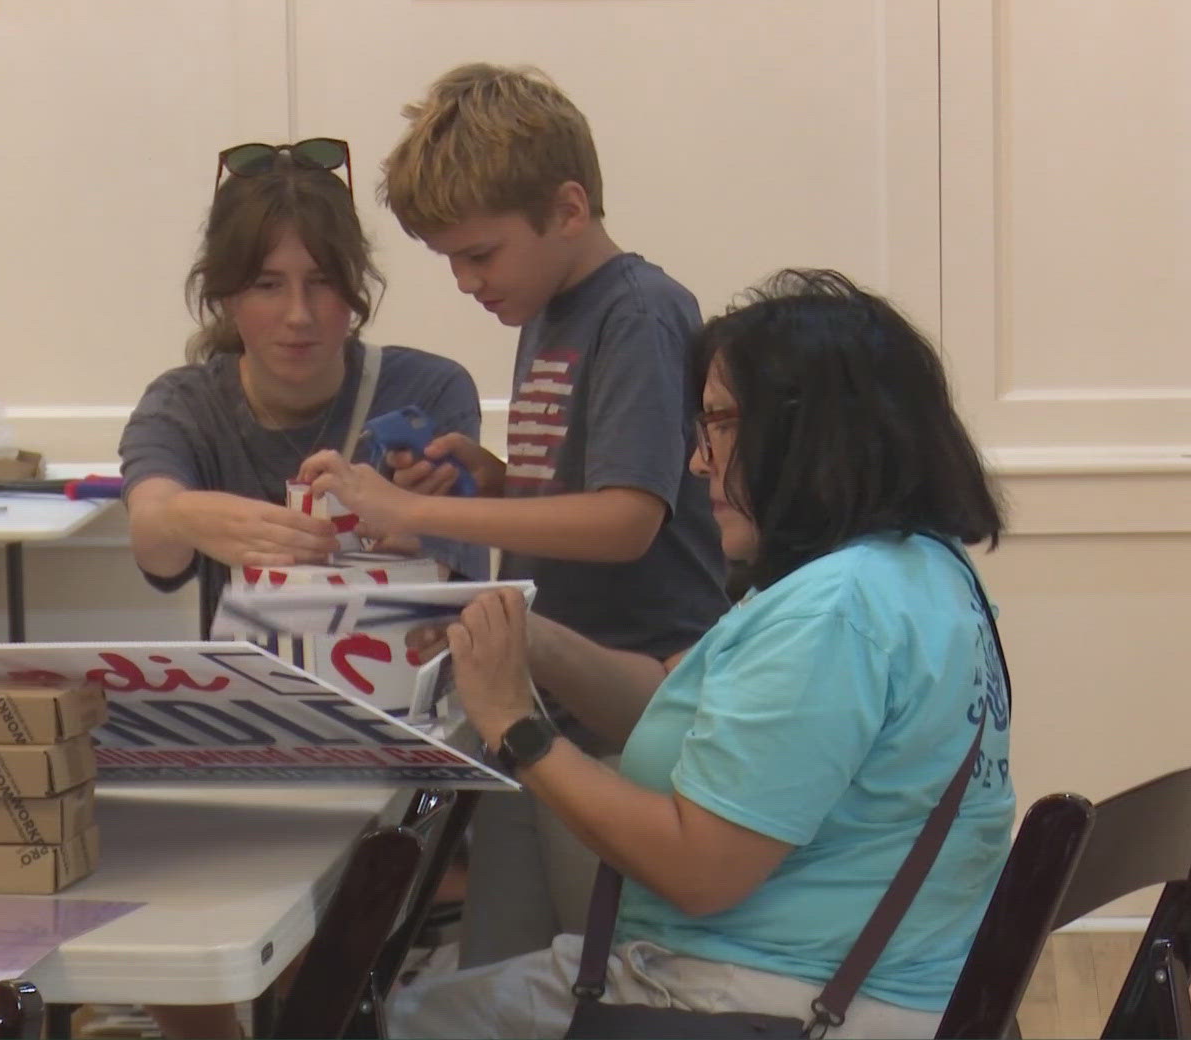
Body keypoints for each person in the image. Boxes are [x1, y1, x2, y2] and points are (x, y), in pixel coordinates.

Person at [387, 269, 1015, 1039]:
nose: (696, 460)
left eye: (716, 422)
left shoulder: (835, 613)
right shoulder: (919, 570)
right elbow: (683, 711)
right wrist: (529, 639)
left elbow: (698, 870)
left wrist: (518, 728)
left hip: (775, 1003)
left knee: (398, 1018)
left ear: (803, 429)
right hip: (854, 982)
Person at [301, 63, 729, 968]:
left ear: (568, 210)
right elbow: (578, 489)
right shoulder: (548, 306)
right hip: (543, 704)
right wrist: (489, 480)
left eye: (480, 254)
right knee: (502, 969)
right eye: (451, 258)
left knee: (596, 984)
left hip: (633, 716)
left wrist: (409, 503)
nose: (464, 281)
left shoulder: (641, 313)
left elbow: (627, 521)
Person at [120, 138, 489, 634]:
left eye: (321, 282)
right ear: (226, 295)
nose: (298, 315)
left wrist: (411, 537)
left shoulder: (429, 391)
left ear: (355, 286)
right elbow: (155, 539)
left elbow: (453, 584)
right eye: (267, 286)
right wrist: (181, 516)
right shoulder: (183, 405)